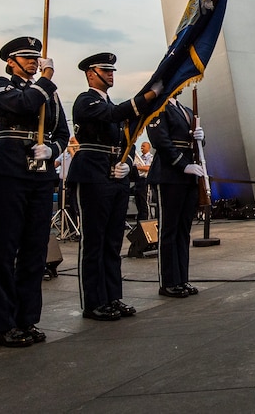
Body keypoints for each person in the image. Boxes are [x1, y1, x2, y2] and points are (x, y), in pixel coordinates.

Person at [0, 36, 70, 348]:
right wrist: (46, 81)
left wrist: (53, 148)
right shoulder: (2, 85)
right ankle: (2, 324)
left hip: (40, 172)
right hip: (8, 167)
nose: (33, 63)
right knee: (4, 250)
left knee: (36, 249)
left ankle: (27, 318)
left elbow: (63, 130)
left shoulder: (50, 93)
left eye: (36, 58)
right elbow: (22, 104)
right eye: (26, 58)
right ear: (11, 62)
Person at [70, 52, 157, 321]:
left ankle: (112, 296)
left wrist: (128, 162)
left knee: (112, 241)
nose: (110, 74)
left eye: (112, 71)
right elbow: (115, 114)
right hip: (93, 173)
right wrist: (148, 97)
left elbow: (126, 140)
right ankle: (94, 302)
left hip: (115, 175)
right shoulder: (86, 101)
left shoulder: (111, 105)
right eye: (104, 70)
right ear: (90, 74)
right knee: (94, 241)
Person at [147, 91, 205, 298]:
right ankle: (169, 281)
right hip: (169, 174)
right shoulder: (158, 108)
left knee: (183, 231)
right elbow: (160, 141)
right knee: (169, 231)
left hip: (188, 175)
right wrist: (183, 165)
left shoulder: (187, 111)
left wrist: (201, 138)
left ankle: (182, 279)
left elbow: (195, 145)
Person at [130, 140, 152, 221]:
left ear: (148, 148)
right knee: (138, 202)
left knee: (144, 203)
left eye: (143, 146)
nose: (141, 148)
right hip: (138, 180)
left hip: (145, 181)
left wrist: (137, 168)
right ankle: (140, 221)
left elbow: (148, 168)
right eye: (141, 146)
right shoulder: (140, 158)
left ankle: (146, 220)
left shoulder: (150, 157)